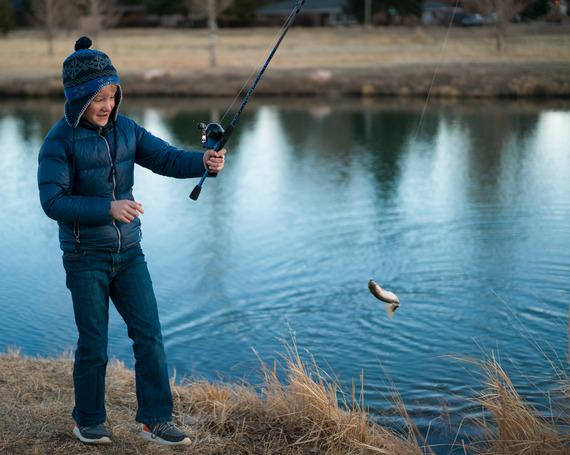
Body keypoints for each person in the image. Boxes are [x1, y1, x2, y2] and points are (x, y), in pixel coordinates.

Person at [37, 36, 226, 446]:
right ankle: (88, 421)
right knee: (94, 345)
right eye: (97, 97)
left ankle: (155, 421)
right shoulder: (58, 141)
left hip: (129, 254)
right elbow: (53, 202)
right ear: (76, 99)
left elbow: (167, 158)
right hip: (85, 256)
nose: (107, 105)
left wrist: (205, 162)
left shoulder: (127, 129)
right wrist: (107, 208)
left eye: (112, 95)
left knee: (150, 336)